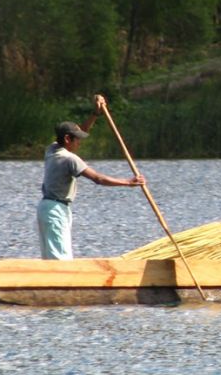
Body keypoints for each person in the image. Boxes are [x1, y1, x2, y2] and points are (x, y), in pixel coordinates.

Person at [37, 94, 144, 259]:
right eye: (76, 140)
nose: (79, 143)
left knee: (52, 256)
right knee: (60, 258)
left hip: (46, 208)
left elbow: (83, 131)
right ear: (67, 139)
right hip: (56, 210)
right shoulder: (69, 159)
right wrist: (128, 182)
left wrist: (96, 113)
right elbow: (98, 179)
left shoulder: (52, 149)